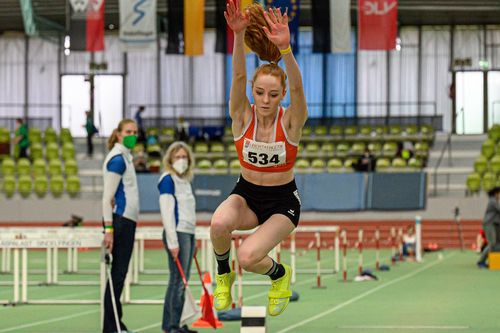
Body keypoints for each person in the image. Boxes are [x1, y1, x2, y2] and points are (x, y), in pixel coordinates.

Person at [210, 1, 307, 317]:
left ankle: (280, 276)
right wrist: (238, 36)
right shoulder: (241, 117)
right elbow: (238, 76)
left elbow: (297, 85)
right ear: (252, 91)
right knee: (219, 223)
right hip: (247, 196)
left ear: (282, 96)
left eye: (273, 94)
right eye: (260, 93)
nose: (265, 101)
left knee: (249, 257)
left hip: (281, 202)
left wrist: (287, 49)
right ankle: (222, 273)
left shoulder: (291, 122)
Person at [102, 119, 139, 333]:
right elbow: (107, 198)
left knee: (120, 275)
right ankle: (112, 326)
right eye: (128, 132)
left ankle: (116, 323)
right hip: (121, 221)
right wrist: (109, 230)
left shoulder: (126, 157)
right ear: (118, 134)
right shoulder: (117, 160)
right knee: (117, 275)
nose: (132, 135)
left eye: (135, 132)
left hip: (127, 220)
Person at [158, 141, 198, 333]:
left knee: (182, 281)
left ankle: (178, 323)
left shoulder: (186, 182)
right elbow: (167, 213)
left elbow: (188, 212)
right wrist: (173, 242)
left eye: (184, 157)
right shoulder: (168, 180)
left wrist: (193, 240)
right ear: (170, 159)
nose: (181, 160)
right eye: (177, 157)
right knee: (177, 281)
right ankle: (171, 325)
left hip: (188, 233)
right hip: (177, 234)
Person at [477, 186, 500, 268]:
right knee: (492, 244)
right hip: (489, 224)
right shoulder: (493, 201)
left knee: (496, 243)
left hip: (494, 224)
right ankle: (481, 261)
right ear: (496, 193)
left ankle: (492, 261)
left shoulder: (496, 201)